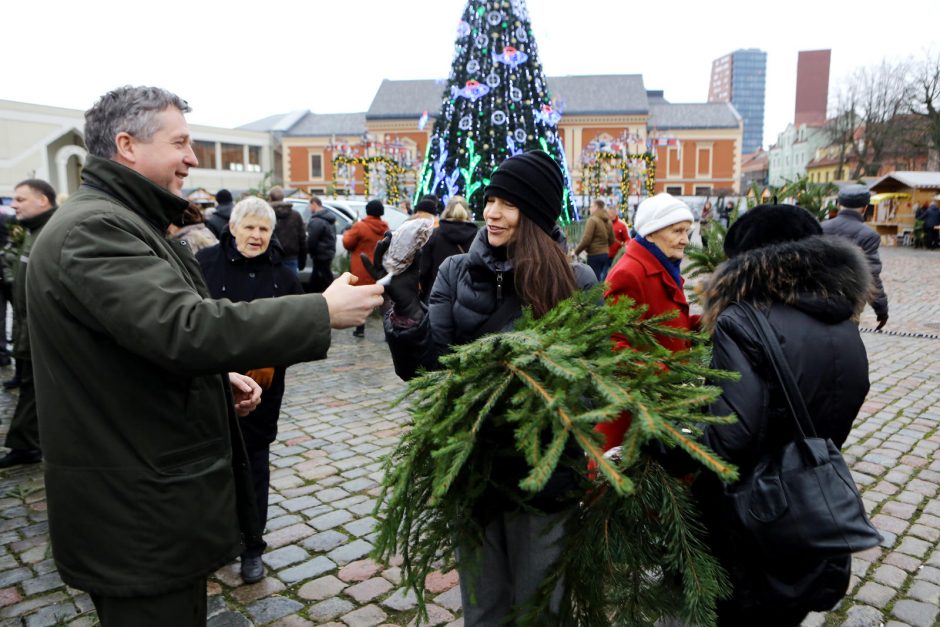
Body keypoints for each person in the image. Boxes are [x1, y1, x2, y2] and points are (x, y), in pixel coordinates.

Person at [25, 85, 384, 627]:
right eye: (181, 143)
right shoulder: (94, 229)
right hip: (135, 512)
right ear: (127, 144)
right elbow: (184, 327)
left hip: (146, 498)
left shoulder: (122, 219)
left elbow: (132, 346)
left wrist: (217, 382)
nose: (193, 158)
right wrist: (319, 312)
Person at [380, 150, 596, 624]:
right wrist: (405, 310)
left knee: (542, 608)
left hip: (544, 478)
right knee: (484, 609)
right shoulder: (457, 273)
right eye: (490, 199)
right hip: (473, 471)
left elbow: (590, 388)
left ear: (536, 215)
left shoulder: (575, 281)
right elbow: (426, 368)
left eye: (508, 204)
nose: (492, 212)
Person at [696, 204, 872, 625]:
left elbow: (731, 436)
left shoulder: (742, 318)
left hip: (752, 516)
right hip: (808, 504)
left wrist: (671, 442)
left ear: (740, 261)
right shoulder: (843, 319)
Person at [196, 196, 302, 583]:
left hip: (261, 390)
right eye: (250, 227)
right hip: (210, 383)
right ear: (234, 227)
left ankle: (252, 546)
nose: (256, 236)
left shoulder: (284, 276)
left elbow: (298, 329)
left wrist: (274, 360)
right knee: (212, 466)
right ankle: (216, 541)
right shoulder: (205, 263)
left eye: (264, 229)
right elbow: (190, 320)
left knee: (254, 466)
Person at [595, 192, 697, 451]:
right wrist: (664, 374)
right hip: (635, 414)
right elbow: (613, 346)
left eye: (687, 231)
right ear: (651, 233)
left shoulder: (663, 265)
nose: (685, 240)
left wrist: (702, 322)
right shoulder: (630, 273)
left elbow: (663, 320)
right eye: (677, 231)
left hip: (657, 405)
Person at [0, 179, 57, 468]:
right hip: (27, 331)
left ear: (43, 200)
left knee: (33, 391)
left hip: (41, 335)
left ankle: (26, 445)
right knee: (29, 389)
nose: (13, 205)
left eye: (20, 199)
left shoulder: (52, 233)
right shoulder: (33, 233)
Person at [821, 184, 889, 329]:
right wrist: (881, 308)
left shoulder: (821, 227)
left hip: (818, 296)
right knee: (847, 340)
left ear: (839, 205)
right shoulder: (868, 235)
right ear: (865, 208)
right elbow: (871, 274)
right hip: (850, 301)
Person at [418, 194, 478, 303]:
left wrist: (424, 294)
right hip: (469, 298)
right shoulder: (478, 237)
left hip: (438, 295)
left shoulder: (434, 235)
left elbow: (424, 270)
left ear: (447, 210)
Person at [343, 199, 389, 337]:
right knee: (384, 300)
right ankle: (388, 331)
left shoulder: (360, 226)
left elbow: (347, 243)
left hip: (362, 268)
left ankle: (360, 329)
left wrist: (346, 233)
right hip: (380, 268)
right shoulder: (385, 227)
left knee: (360, 300)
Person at [573, 199, 616, 281]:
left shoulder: (592, 220)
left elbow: (586, 240)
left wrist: (576, 252)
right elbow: (612, 240)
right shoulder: (608, 221)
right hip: (605, 254)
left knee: (593, 283)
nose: (590, 209)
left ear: (596, 207)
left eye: (591, 206)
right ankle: (604, 294)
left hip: (594, 255)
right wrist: (604, 246)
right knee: (602, 280)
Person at [268, 186, 306, 275]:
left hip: (270, 257)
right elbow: (302, 239)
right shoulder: (295, 215)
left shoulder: (266, 215)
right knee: (291, 287)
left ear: (270, 198)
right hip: (291, 257)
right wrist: (302, 261)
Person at [306, 196, 337, 293]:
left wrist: (309, 251)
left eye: (309, 206)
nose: (309, 208)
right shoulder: (329, 218)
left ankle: (330, 294)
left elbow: (312, 240)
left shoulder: (317, 220)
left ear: (314, 204)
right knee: (322, 275)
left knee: (323, 277)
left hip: (320, 254)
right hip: (328, 252)